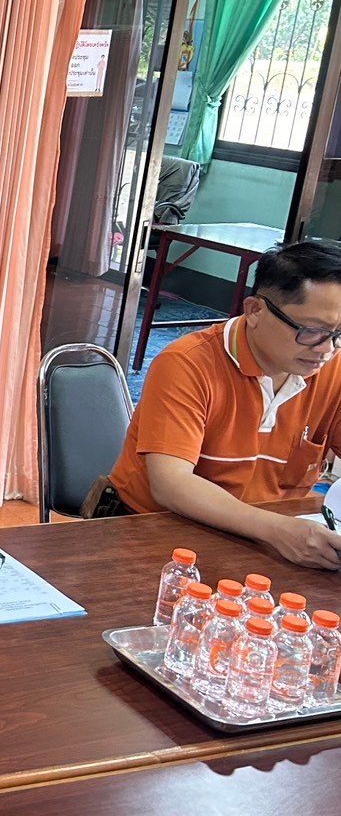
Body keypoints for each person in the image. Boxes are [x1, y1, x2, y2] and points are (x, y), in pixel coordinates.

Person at [105, 241, 341, 571]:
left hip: (266, 543)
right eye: (312, 331)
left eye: (339, 333)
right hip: (155, 533)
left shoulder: (332, 369)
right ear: (255, 311)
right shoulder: (187, 364)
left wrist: (278, 532)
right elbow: (171, 484)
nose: (327, 349)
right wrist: (276, 531)